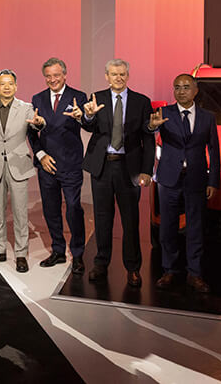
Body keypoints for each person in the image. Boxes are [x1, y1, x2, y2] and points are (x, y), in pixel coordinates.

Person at [70, 58, 155, 288]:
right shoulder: (96, 98)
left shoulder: (141, 101)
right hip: (103, 166)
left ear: (128, 76)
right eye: (114, 74)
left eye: (122, 74)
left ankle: (133, 268)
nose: (118, 78)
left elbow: (148, 139)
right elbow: (89, 126)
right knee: (102, 218)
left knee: (131, 220)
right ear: (106, 76)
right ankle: (101, 263)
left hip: (130, 168)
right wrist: (88, 116)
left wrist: (147, 171)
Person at [148, 74, 220, 293]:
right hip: (169, 178)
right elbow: (148, 129)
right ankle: (168, 270)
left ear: (195, 90)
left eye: (186, 87)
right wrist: (151, 127)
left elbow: (214, 151)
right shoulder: (164, 113)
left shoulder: (208, 117)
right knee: (167, 227)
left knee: (195, 227)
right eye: (177, 87)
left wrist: (213, 180)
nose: (181, 91)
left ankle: (194, 273)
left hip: (196, 178)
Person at [29, 57, 89, 274]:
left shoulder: (78, 97)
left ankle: (78, 253)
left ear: (64, 74)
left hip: (70, 163)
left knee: (73, 208)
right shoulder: (37, 98)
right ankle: (58, 250)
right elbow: (31, 131)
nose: (52, 79)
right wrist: (41, 155)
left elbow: (89, 124)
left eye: (56, 75)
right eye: (48, 76)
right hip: (47, 164)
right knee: (50, 209)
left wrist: (82, 117)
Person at [0, 69, 41, 273]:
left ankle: (21, 253)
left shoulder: (26, 107)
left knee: (20, 212)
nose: (6, 87)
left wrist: (40, 123)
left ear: (16, 86)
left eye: (10, 83)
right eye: (2, 84)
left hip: (18, 164)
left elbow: (37, 124)